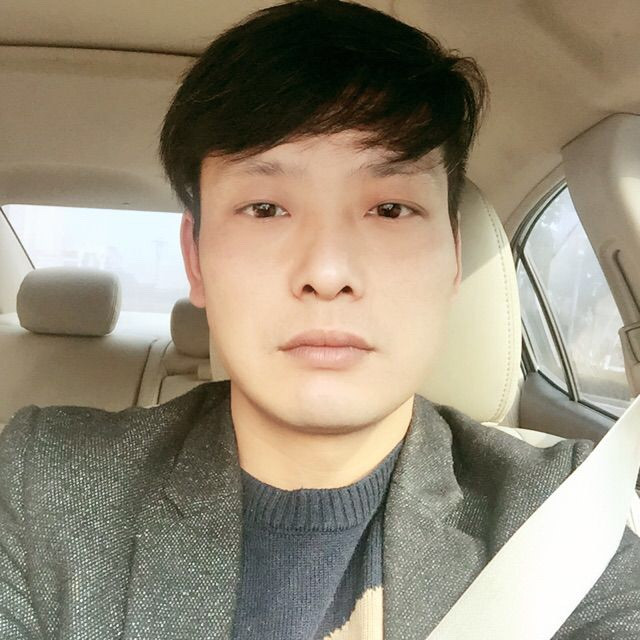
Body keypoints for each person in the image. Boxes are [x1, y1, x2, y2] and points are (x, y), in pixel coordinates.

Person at [1, 1, 639, 638]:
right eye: (264, 208)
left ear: (452, 258)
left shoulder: (569, 519)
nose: (328, 272)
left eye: (390, 209)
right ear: (195, 260)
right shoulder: (43, 486)